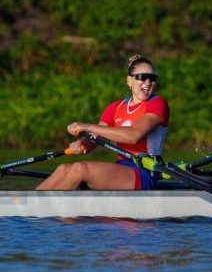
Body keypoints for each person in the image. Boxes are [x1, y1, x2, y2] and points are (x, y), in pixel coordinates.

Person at [36, 55, 170, 190]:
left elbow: (134, 136)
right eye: (142, 77)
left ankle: (36, 209)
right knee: (63, 169)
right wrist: (83, 143)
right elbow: (95, 138)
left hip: (144, 171)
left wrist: (87, 127)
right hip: (121, 167)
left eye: (152, 78)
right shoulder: (116, 107)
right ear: (129, 81)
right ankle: (22, 205)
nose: (147, 83)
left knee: (79, 169)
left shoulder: (157, 103)